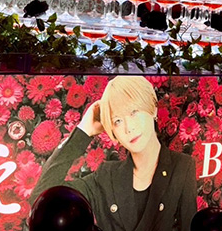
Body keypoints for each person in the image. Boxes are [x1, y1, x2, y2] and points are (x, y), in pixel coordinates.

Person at [30, 76, 197, 231]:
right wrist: (83, 132)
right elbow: (42, 200)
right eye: (117, 121)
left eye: (134, 112)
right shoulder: (105, 177)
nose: (128, 128)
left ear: (152, 108)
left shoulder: (182, 167)